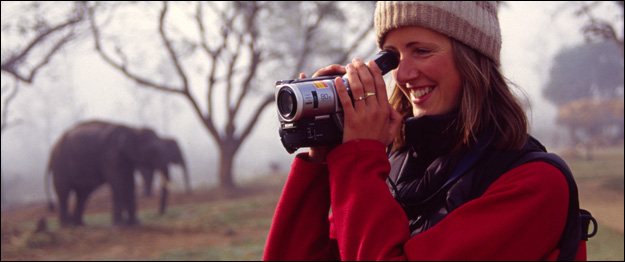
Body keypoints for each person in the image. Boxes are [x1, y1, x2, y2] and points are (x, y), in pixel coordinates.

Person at [264, 1, 590, 261]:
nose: (403, 74)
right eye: (391, 58)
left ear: (472, 58)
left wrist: (358, 159)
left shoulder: (535, 184)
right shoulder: (387, 163)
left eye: (421, 50)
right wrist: (320, 160)